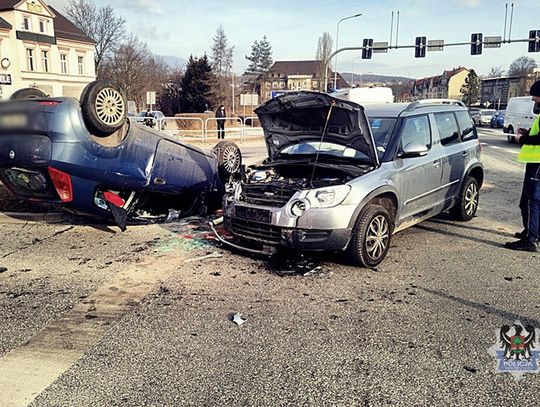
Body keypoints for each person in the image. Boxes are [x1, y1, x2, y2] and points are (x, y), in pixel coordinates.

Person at [504, 80, 540, 252]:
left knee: (533, 201)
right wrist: (527, 133)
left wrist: (522, 139)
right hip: (535, 163)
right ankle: (531, 233)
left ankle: (531, 240)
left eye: (535, 96)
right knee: (527, 201)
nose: (533, 100)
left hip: (538, 165)